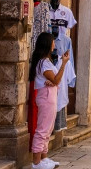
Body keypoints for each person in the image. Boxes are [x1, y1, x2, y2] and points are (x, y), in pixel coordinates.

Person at [29, 32, 70, 169]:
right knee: (42, 129)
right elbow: (57, 79)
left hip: (49, 96)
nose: (54, 44)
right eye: (52, 42)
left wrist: (53, 82)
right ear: (47, 44)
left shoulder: (46, 62)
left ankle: (44, 158)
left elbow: (53, 80)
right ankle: (36, 162)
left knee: (48, 129)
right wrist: (63, 64)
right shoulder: (43, 63)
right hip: (46, 98)